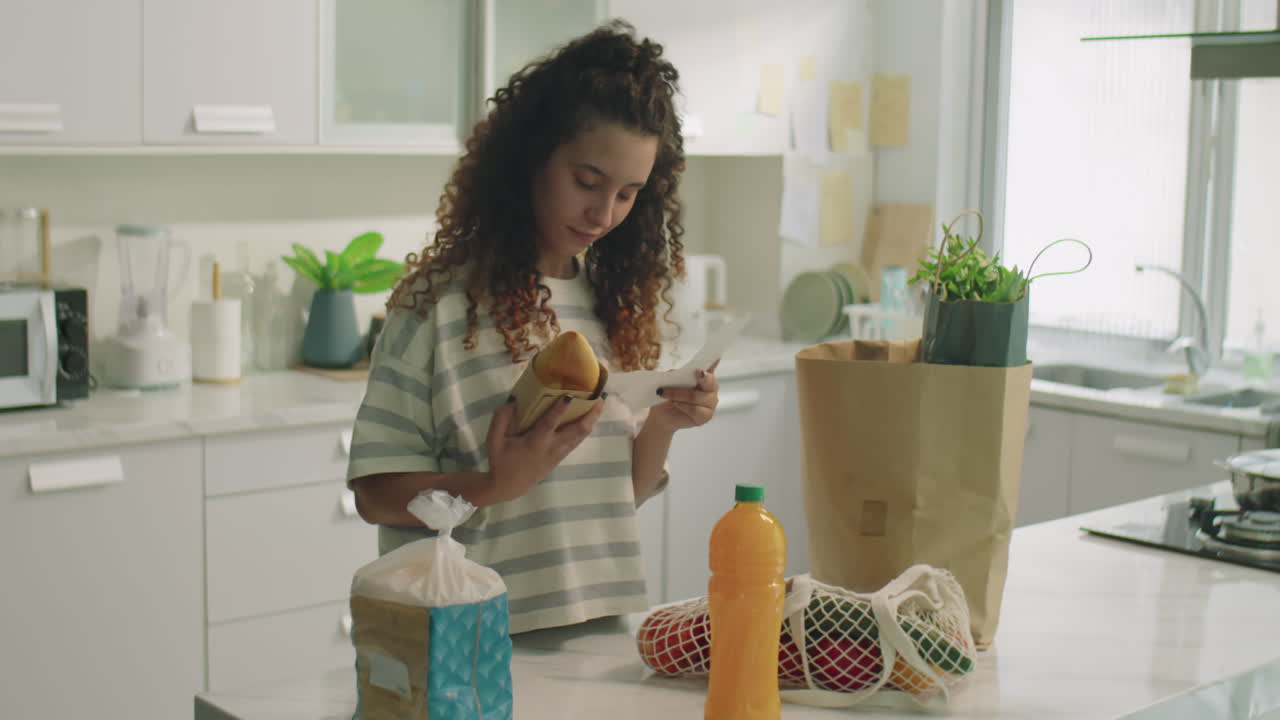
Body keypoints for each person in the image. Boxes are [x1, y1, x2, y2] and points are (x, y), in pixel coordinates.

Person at [345, 21, 720, 635]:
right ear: (532, 157)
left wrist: (663, 422)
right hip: (471, 642)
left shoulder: (612, 305)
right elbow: (376, 495)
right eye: (587, 182)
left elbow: (612, 501)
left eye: (628, 194)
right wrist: (492, 485)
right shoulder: (436, 306)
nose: (603, 214)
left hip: (599, 633)